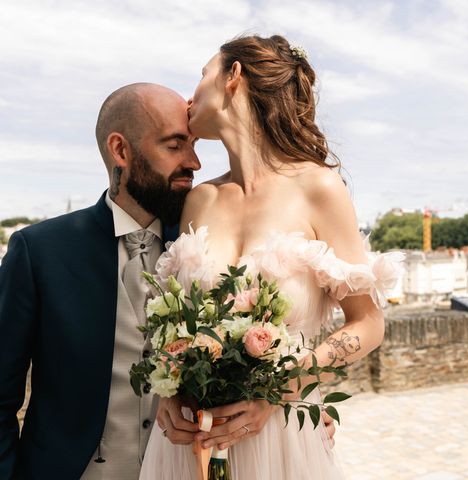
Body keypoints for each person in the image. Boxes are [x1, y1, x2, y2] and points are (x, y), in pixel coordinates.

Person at [141, 34, 402, 479]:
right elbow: (177, 327)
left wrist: (280, 389)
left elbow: (369, 323)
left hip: (279, 437)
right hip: (192, 442)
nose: (190, 96)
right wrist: (168, 392)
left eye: (203, 75)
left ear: (233, 78)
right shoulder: (200, 199)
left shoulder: (318, 188)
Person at [0, 83, 201, 479]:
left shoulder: (206, 246)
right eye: (175, 145)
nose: (193, 162)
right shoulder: (39, 250)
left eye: (195, 146)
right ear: (121, 150)